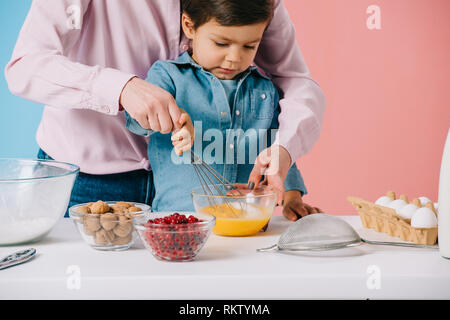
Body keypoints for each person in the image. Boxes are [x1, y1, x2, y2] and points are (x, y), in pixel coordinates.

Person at [5, 0, 325, 220]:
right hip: (91, 181)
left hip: (196, 191)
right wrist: (119, 88)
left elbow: (293, 80)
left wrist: (285, 147)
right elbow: (25, 67)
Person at [125, 0, 308, 215]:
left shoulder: (265, 89)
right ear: (189, 26)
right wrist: (174, 117)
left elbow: (279, 149)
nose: (234, 58)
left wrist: (292, 197)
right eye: (221, 44)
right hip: (179, 223)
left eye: (249, 46)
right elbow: (136, 121)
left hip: (248, 222)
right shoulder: (168, 77)